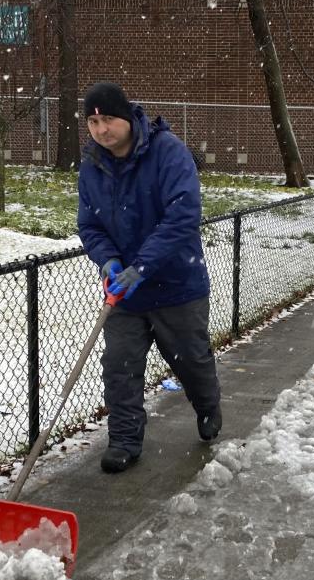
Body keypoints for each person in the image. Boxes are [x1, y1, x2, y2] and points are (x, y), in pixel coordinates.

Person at [77, 82, 222, 473]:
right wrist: (107, 260)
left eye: (108, 118)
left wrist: (142, 266)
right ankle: (125, 439)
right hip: (125, 293)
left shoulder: (167, 152)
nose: (101, 129)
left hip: (177, 284)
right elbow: (89, 225)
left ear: (126, 117)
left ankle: (208, 407)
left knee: (191, 361)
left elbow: (182, 217)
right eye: (92, 121)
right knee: (120, 366)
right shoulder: (93, 166)